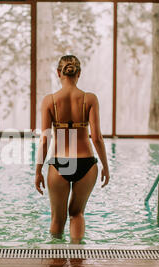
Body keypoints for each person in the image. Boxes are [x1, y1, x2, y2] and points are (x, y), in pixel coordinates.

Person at [34, 55, 110, 244]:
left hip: (60, 163)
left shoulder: (49, 101)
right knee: (77, 213)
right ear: (79, 74)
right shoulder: (89, 99)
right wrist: (105, 166)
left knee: (57, 219)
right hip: (86, 163)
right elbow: (97, 138)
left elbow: (45, 140)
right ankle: (77, 259)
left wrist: (38, 171)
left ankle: (55, 262)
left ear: (58, 73)